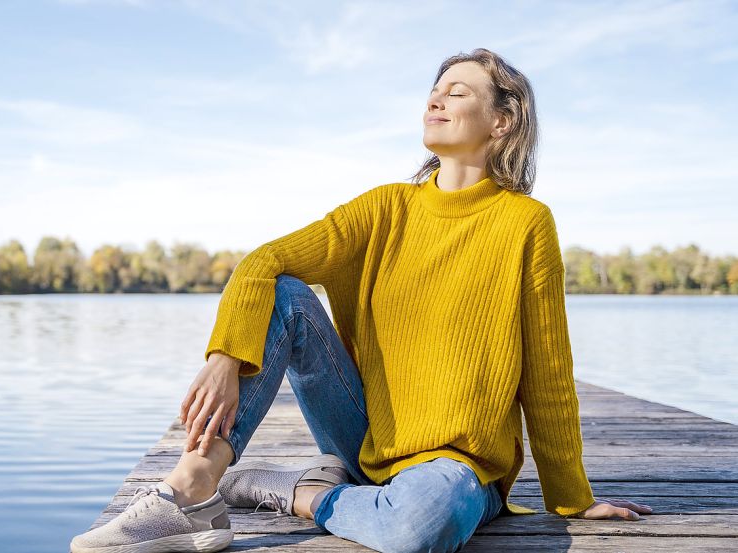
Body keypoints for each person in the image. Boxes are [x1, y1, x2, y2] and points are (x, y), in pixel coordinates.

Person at [69, 47, 653, 553]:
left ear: (503, 120)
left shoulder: (526, 223)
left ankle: (300, 494)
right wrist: (225, 356)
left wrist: (573, 499)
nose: (436, 99)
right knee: (287, 296)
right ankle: (194, 488)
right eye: (434, 89)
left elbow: (549, 369)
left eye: (458, 91)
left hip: (458, 464)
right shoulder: (384, 208)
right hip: (367, 435)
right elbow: (264, 262)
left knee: (420, 527)